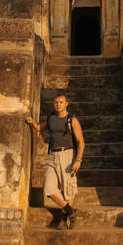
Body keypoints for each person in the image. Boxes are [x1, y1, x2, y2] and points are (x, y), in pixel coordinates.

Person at [25, 93, 85, 229]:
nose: (58, 104)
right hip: (53, 155)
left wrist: (78, 160)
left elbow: (81, 142)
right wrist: (32, 123)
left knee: (68, 189)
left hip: (68, 155)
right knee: (49, 188)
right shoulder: (51, 118)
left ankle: (66, 219)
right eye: (56, 102)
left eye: (61, 102)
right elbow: (41, 128)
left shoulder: (72, 120)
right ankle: (70, 211)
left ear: (66, 104)